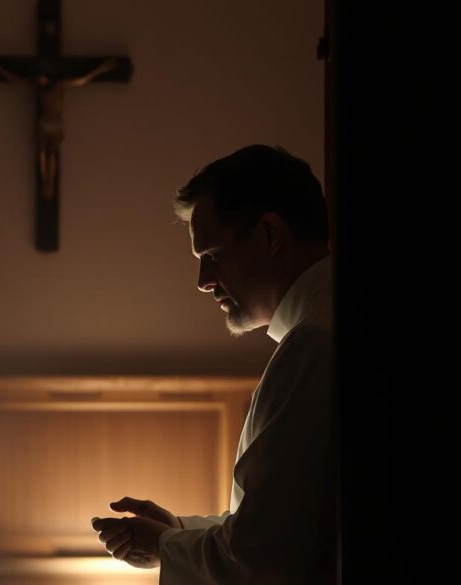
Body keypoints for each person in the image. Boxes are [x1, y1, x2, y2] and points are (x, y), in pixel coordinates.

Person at [90, 145, 337, 584]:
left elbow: (264, 562)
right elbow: (282, 524)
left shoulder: (314, 344)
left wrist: (164, 546)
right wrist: (176, 533)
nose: (204, 283)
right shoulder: (317, 328)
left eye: (214, 255)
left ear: (269, 234)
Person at [0, 58, 117, 200]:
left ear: (49, 76)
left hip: (55, 125)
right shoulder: (37, 87)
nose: (40, 79)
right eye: (38, 77)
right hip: (44, 124)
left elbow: (82, 80)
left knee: (53, 153)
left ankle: (50, 183)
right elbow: (17, 81)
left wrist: (100, 70)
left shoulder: (61, 85)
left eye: (42, 77)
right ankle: (45, 183)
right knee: (42, 153)